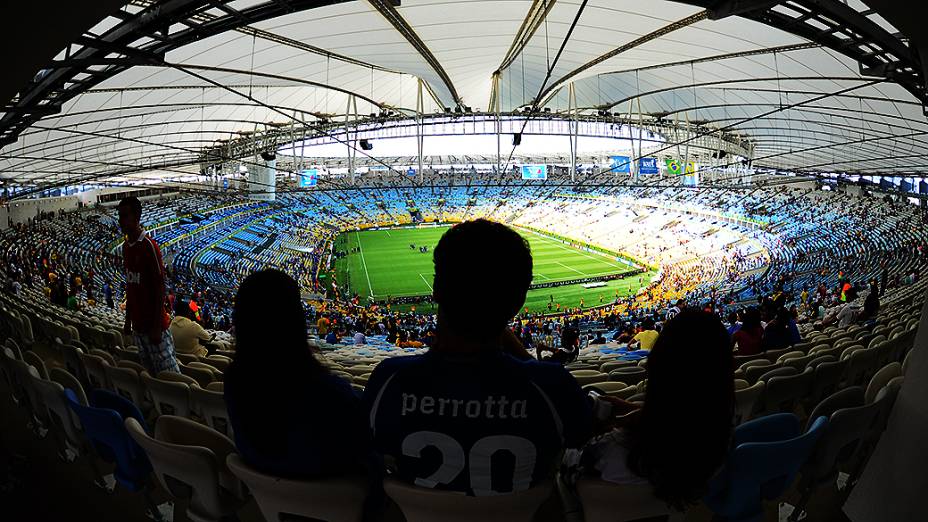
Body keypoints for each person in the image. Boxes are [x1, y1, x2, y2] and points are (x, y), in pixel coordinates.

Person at [363, 219, 596, 495]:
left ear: (436, 288)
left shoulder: (388, 380)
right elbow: (593, 434)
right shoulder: (552, 386)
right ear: (519, 302)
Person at [224, 269, 371, 478]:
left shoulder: (234, 382)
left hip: (265, 502)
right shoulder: (330, 393)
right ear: (295, 320)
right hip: (337, 505)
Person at [583, 310, 735, 511]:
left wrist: (598, 428)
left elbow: (582, 462)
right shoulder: (719, 442)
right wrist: (634, 412)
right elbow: (682, 413)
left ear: (658, 369)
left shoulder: (614, 452)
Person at [119, 196, 179, 375]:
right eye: (120, 216)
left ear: (136, 217)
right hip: (138, 326)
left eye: (125, 216)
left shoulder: (148, 246)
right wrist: (128, 320)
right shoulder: (126, 247)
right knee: (151, 373)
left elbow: (159, 287)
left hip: (153, 327)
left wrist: (155, 326)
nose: (121, 221)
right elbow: (131, 285)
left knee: (170, 375)